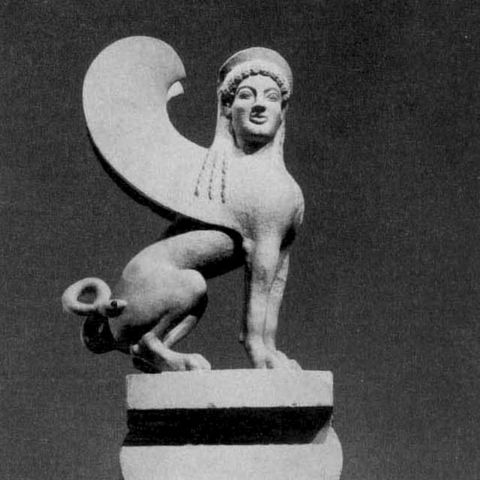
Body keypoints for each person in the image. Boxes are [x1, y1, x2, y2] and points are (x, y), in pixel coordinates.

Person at [63, 47, 304, 372]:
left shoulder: (283, 188)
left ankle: (154, 347)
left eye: (271, 97)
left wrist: (267, 344)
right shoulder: (233, 180)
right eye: (246, 96)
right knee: (192, 286)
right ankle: (154, 346)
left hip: (148, 291)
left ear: (282, 111)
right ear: (228, 109)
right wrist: (256, 345)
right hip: (148, 285)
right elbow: (261, 264)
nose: (259, 105)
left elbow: (275, 269)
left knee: (195, 289)